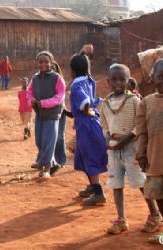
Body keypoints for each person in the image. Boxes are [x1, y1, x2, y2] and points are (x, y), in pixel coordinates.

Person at [100, 64, 161, 235]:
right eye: (114, 79)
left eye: (122, 79)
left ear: (128, 82)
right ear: (108, 81)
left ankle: (155, 214)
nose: (118, 83)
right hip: (113, 150)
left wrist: (125, 139)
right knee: (116, 183)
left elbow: (139, 125)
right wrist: (107, 138)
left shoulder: (134, 101)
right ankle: (121, 219)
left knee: (141, 182)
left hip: (131, 148)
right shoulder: (105, 103)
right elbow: (104, 124)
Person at [70, 53, 108, 206]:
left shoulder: (76, 86)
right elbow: (87, 102)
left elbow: (85, 103)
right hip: (89, 123)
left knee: (89, 156)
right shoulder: (89, 81)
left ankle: (99, 193)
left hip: (86, 125)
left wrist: (87, 112)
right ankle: (94, 186)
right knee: (83, 155)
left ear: (72, 71)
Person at [136, 59, 163, 244]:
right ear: (152, 78)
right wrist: (141, 154)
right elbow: (142, 131)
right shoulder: (146, 103)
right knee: (159, 195)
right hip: (155, 159)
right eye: (160, 77)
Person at [27, 51, 65, 178]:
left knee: (49, 140)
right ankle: (52, 163)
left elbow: (60, 96)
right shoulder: (35, 78)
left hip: (52, 114)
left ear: (51, 63)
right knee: (40, 141)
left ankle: (46, 168)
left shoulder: (57, 78)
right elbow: (29, 91)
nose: (43, 64)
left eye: (46, 62)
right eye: (40, 62)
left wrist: (43, 103)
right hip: (40, 114)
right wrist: (31, 100)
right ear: (37, 63)